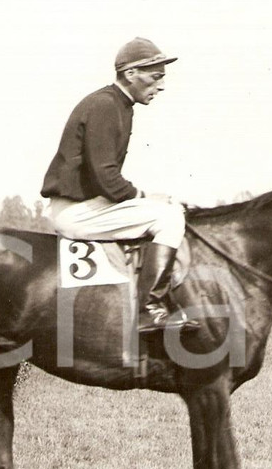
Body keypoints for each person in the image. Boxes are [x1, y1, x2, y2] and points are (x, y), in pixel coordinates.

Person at [41, 37, 195, 333]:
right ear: (131, 74)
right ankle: (149, 309)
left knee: (167, 207)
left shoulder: (117, 104)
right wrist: (146, 196)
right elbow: (107, 179)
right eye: (156, 77)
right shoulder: (106, 105)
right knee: (169, 216)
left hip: (86, 204)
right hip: (76, 211)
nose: (161, 86)